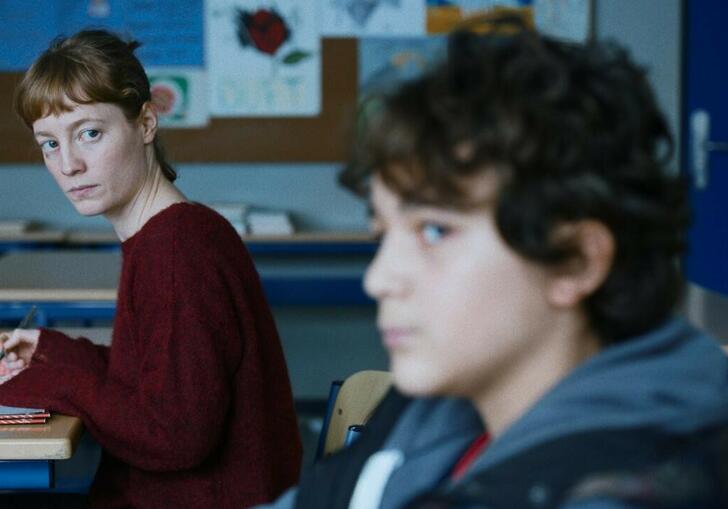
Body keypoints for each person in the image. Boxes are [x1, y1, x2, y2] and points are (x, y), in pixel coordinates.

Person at [260, 27, 728, 509]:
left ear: (576, 261)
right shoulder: (434, 400)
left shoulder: (624, 487)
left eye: (435, 231)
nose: (378, 280)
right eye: (384, 233)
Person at [0, 30, 302, 508]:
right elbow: (148, 379)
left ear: (145, 124)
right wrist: (47, 350)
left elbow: (173, 433)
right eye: (49, 144)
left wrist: (33, 383)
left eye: (89, 133)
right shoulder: (170, 234)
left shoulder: (178, 249)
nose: (69, 164)